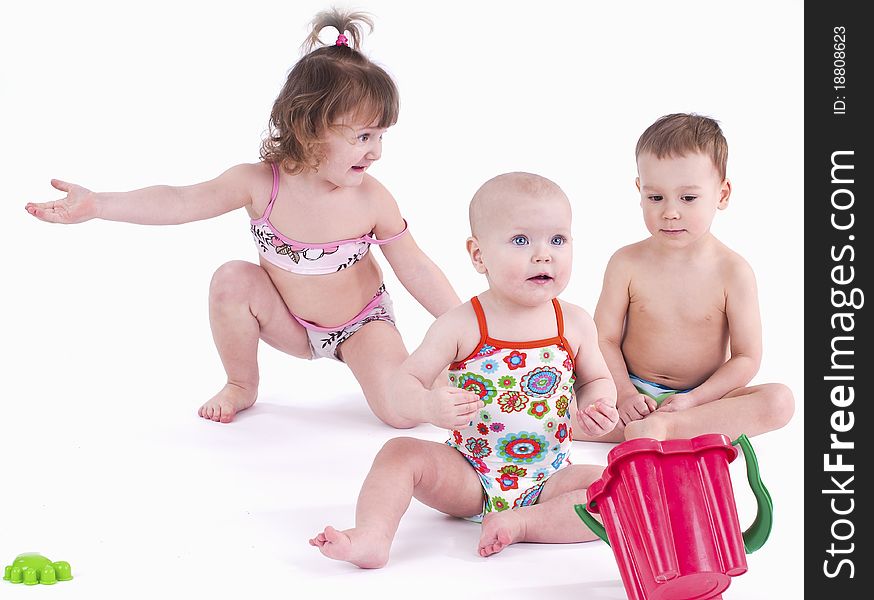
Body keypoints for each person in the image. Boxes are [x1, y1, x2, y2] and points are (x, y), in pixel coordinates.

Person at [23, 9, 461, 426]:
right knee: (231, 278)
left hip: (360, 324)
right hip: (288, 322)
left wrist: (470, 322)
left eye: (381, 136)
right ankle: (241, 384)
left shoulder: (371, 200)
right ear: (309, 127)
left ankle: (432, 389)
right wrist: (99, 204)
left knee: (397, 413)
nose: (375, 151)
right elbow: (180, 201)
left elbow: (415, 266)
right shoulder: (259, 184)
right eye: (363, 136)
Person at [309, 172, 618, 568]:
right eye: (521, 240)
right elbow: (403, 383)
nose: (544, 255)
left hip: (551, 475)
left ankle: (522, 523)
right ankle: (372, 535)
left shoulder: (573, 323)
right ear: (478, 255)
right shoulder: (462, 324)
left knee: (617, 488)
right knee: (398, 453)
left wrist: (598, 404)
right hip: (471, 472)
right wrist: (428, 406)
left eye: (557, 240)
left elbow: (595, 380)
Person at [583, 113, 794, 443]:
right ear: (639, 190)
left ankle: (667, 430)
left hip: (703, 400)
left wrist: (694, 400)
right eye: (655, 197)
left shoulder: (733, 272)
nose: (670, 212)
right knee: (552, 413)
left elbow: (746, 357)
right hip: (628, 396)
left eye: (688, 198)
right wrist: (623, 395)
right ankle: (649, 429)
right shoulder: (625, 262)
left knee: (780, 402)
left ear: (722, 195)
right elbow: (603, 339)